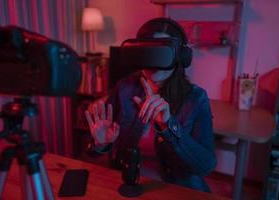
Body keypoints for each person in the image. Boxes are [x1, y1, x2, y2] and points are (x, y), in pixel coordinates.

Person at [85, 17, 216, 192]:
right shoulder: (125, 88)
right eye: (149, 51)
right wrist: (101, 144)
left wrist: (168, 126)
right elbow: (96, 151)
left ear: (180, 57)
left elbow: (205, 166)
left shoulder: (196, 98)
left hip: (175, 189)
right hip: (128, 183)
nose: (154, 62)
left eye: (162, 52)